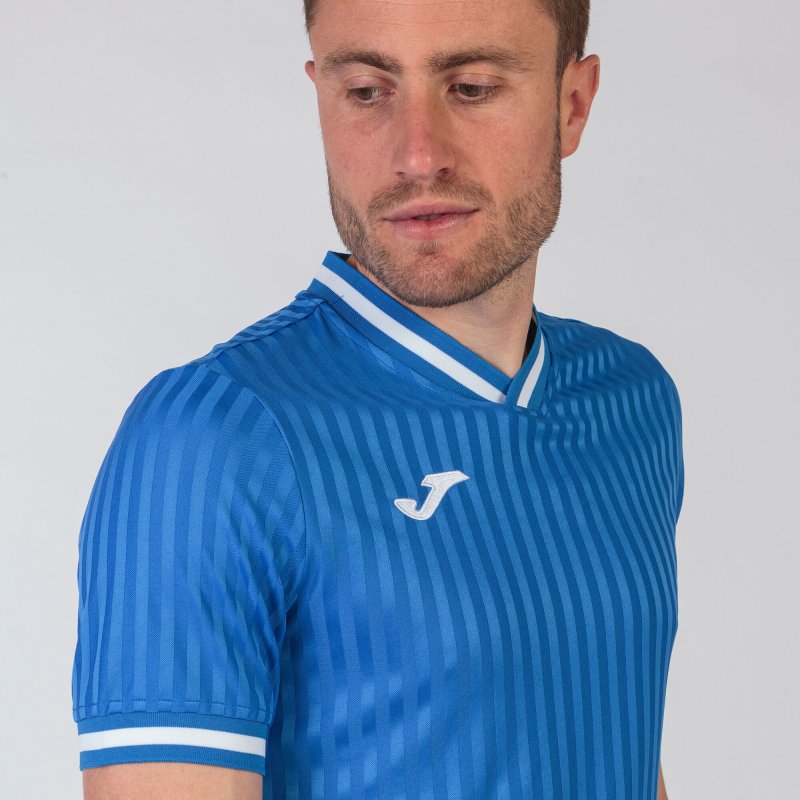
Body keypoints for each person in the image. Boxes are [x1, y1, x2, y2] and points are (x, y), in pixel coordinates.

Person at [72, 1, 683, 798]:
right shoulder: (211, 437)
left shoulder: (631, 400)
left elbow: (614, 744)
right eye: (366, 91)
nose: (417, 155)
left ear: (572, 105)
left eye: (471, 87)